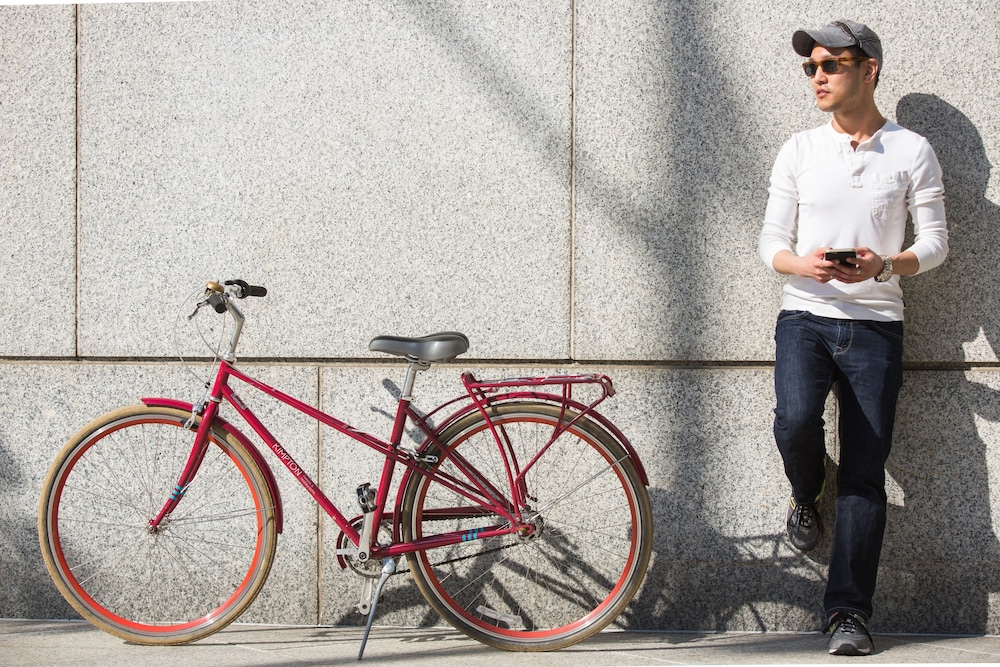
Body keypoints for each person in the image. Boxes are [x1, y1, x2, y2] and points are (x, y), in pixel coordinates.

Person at [758, 19, 949, 656]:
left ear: (869, 70)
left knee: (866, 475)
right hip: (804, 316)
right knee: (794, 423)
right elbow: (771, 243)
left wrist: (884, 266)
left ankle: (847, 614)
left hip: (876, 326)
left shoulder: (911, 150)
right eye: (810, 67)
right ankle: (806, 489)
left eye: (830, 65)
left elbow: (935, 245)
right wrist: (803, 264)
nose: (817, 77)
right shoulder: (799, 150)